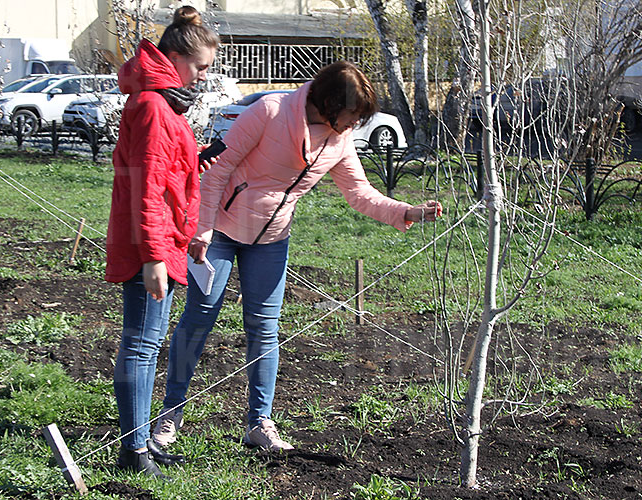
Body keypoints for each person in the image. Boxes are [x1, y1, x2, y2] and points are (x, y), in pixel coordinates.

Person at [152, 61, 443, 451]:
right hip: (219, 231)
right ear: (327, 103)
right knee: (199, 319)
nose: (354, 124)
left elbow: (360, 194)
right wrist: (202, 228)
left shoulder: (339, 140)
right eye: (352, 114)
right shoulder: (269, 112)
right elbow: (217, 172)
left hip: (271, 239)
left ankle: (259, 423)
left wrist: (405, 211)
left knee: (264, 329)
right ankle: (170, 413)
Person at [106, 6, 219, 477]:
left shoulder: (161, 102)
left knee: (146, 344)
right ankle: (133, 450)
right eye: (200, 67)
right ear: (174, 57)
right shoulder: (153, 106)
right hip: (148, 246)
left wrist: (194, 159)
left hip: (163, 240)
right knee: (141, 345)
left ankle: (140, 444)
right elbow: (146, 184)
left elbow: (165, 168)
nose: (203, 78)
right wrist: (154, 255)